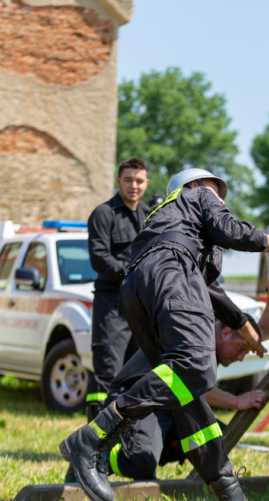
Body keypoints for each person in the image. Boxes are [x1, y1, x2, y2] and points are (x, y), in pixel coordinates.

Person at [59, 168, 269, 501]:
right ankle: (93, 437)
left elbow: (211, 290)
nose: (221, 200)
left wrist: (243, 321)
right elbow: (227, 229)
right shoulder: (197, 197)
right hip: (168, 273)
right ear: (195, 185)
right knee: (198, 369)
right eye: (218, 193)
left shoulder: (166, 223)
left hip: (137, 289)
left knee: (192, 404)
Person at [63, 264, 269, 482]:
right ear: (225, 334)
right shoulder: (197, 338)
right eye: (241, 349)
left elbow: (264, 331)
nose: (241, 357)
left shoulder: (228, 334)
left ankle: (159, 448)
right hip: (138, 399)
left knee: (218, 438)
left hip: (168, 404)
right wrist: (236, 401)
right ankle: (92, 455)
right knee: (141, 463)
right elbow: (195, 388)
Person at [85, 158, 150, 420]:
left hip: (141, 307)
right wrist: (134, 273)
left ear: (146, 183)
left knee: (138, 373)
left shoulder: (150, 214)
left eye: (139, 181)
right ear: (117, 181)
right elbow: (99, 258)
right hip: (112, 304)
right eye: (128, 180)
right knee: (108, 372)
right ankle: (92, 440)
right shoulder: (104, 213)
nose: (133, 186)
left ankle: (123, 443)